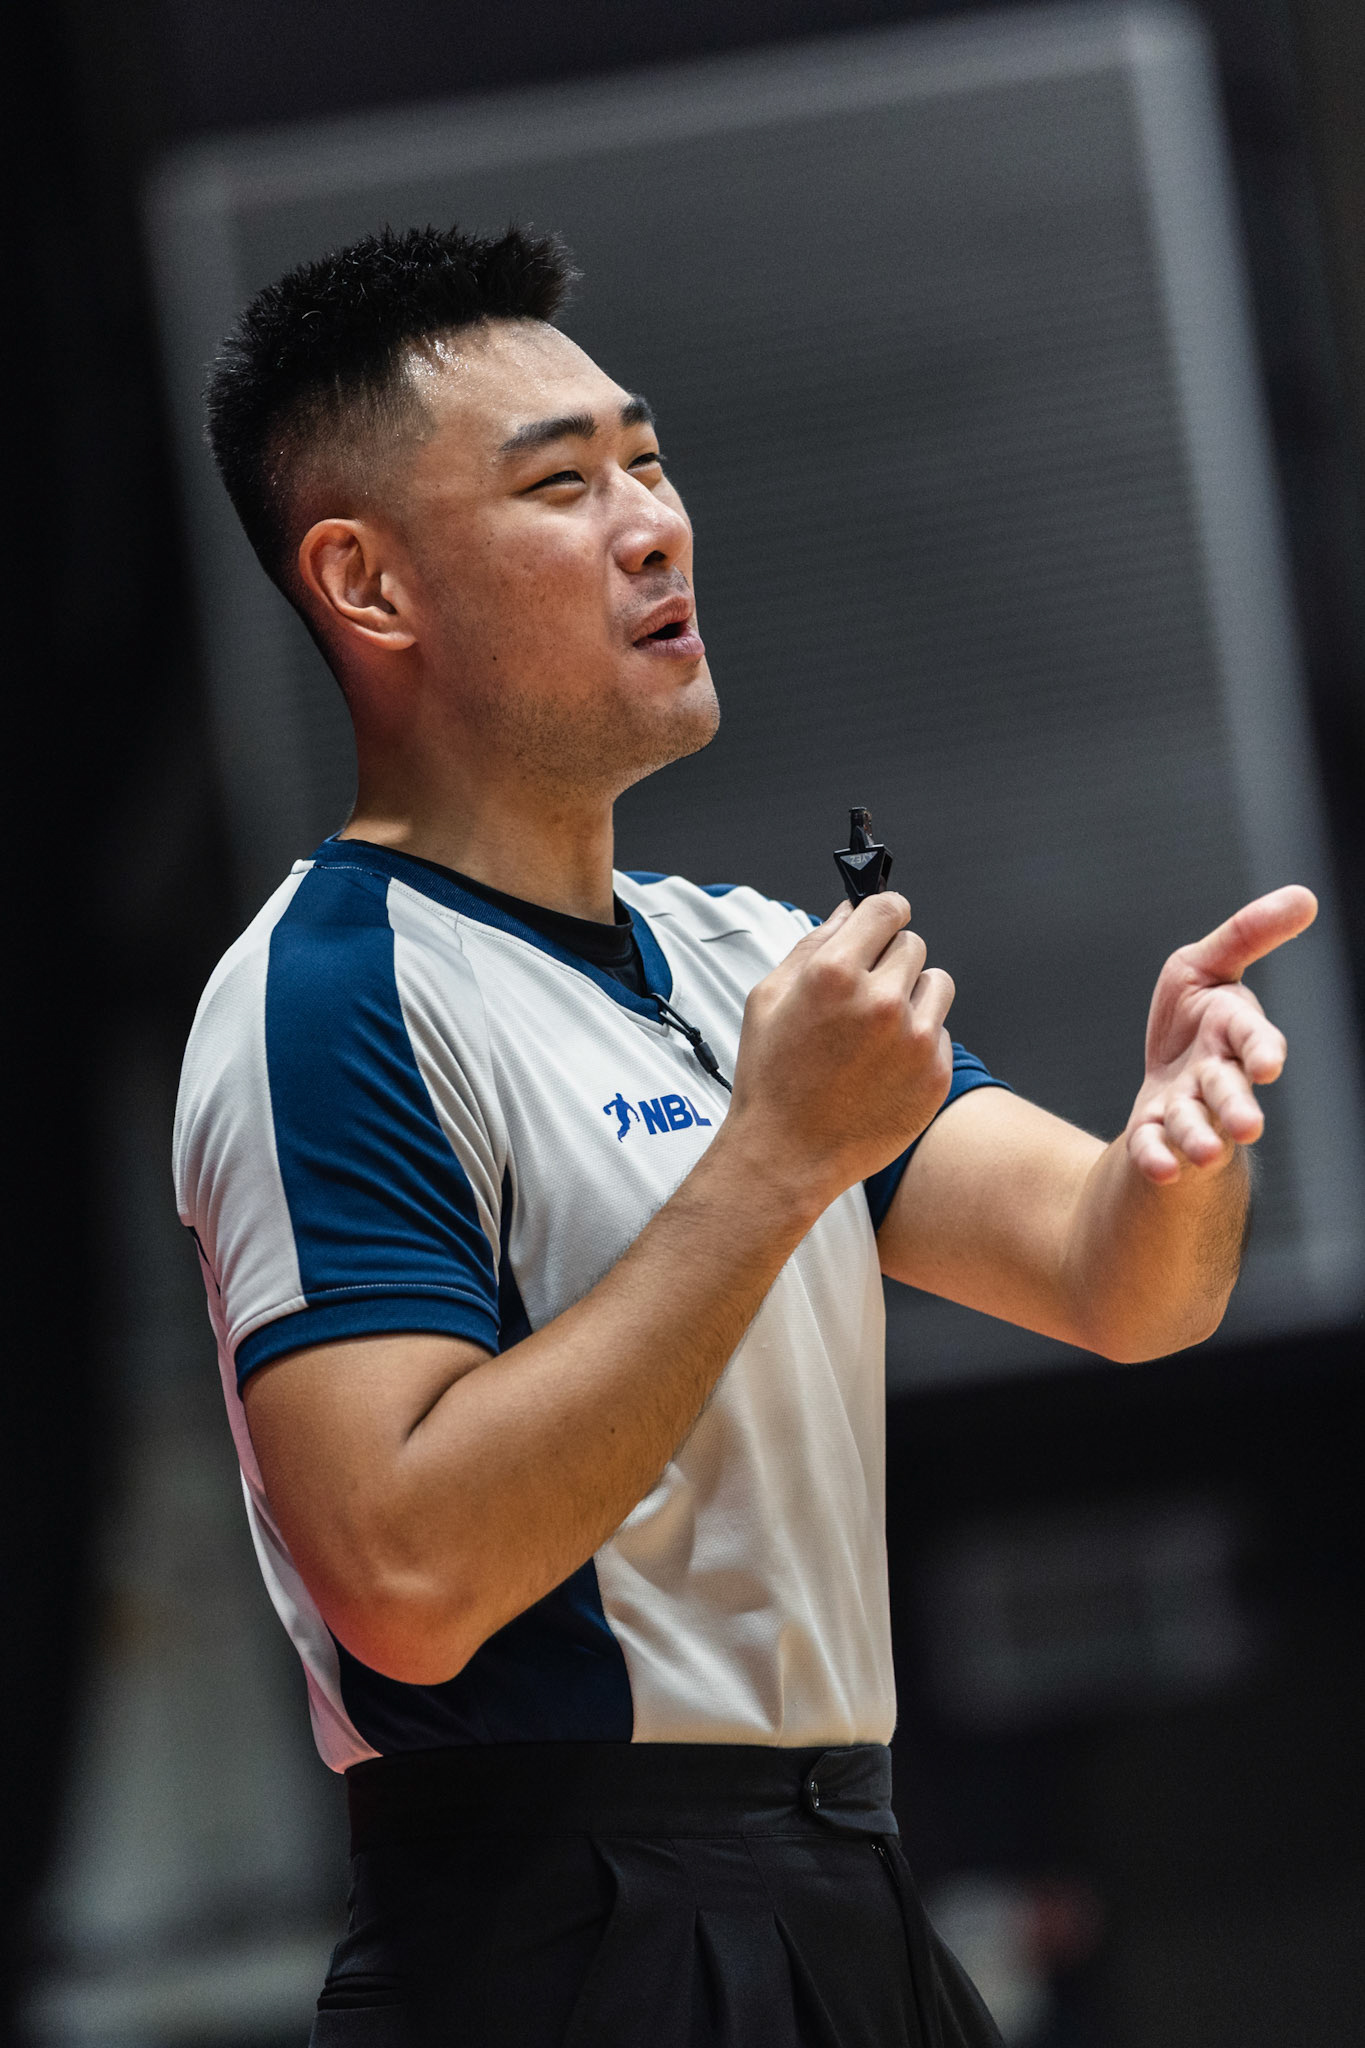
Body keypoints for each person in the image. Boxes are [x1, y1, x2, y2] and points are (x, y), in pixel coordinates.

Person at [173, 224, 1315, 2047]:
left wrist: (1177, 1147)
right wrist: (775, 1161)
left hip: (844, 1877)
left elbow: (1123, 1288)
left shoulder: (740, 951)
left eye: (646, 458)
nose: (652, 524)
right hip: (560, 1932)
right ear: (367, 587)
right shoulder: (323, 1000)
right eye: (563, 486)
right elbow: (403, 1581)